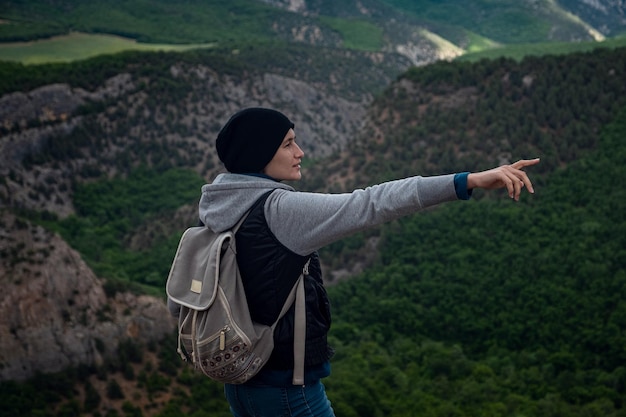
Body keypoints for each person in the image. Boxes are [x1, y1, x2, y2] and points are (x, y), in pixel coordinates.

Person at [180, 107, 539, 417]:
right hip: (287, 390)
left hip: (241, 383)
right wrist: (468, 180)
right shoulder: (279, 210)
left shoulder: (217, 207)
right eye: (288, 143)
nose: (300, 152)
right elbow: (372, 203)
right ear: (259, 153)